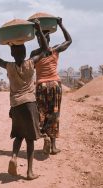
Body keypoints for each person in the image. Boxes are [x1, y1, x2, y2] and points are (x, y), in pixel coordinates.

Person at [0, 19, 47, 180]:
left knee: (18, 135)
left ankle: (14, 157)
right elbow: (45, 49)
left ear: (12, 54)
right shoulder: (31, 63)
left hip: (15, 105)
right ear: (24, 52)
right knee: (30, 139)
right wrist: (38, 29)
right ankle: (29, 172)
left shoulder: (9, 66)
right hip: (29, 103)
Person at [30, 17, 72, 155]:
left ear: (38, 38)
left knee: (42, 114)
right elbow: (69, 40)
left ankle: (46, 137)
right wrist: (61, 24)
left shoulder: (35, 54)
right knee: (54, 115)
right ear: (48, 39)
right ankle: (53, 146)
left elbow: (30, 69)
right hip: (55, 84)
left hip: (41, 85)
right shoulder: (55, 50)